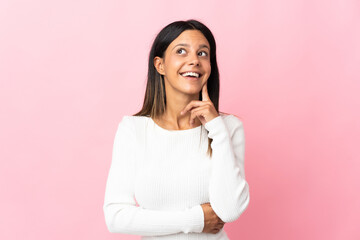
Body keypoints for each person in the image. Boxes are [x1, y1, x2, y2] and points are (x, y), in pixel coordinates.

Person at [103, 19, 250, 240]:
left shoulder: (228, 128)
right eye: (182, 51)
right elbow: (116, 216)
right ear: (160, 65)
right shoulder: (133, 129)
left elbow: (230, 210)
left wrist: (216, 128)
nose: (194, 60)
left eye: (203, 53)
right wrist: (196, 220)